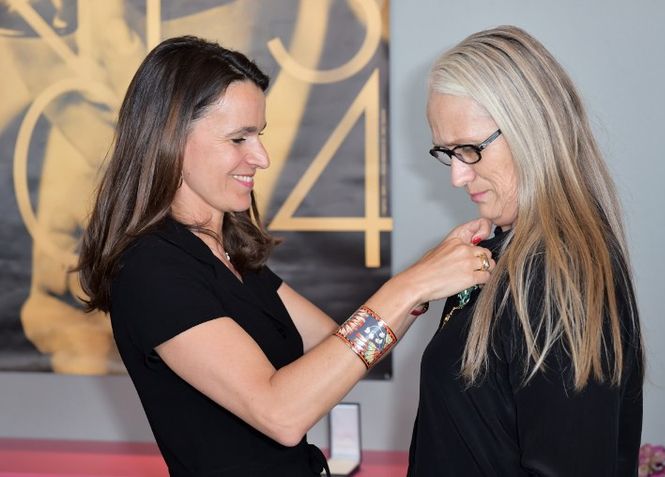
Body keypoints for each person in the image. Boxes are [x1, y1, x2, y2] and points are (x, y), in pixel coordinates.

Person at [76, 36, 495, 477]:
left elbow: (333, 344)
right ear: (171, 138)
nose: (261, 156)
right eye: (239, 138)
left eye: (258, 135)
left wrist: (426, 281)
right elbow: (281, 414)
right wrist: (412, 285)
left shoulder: (229, 254)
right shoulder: (151, 270)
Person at [408, 25, 644, 476]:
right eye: (447, 152)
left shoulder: (556, 271)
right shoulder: (509, 254)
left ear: (531, 128)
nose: (457, 176)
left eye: (470, 149)